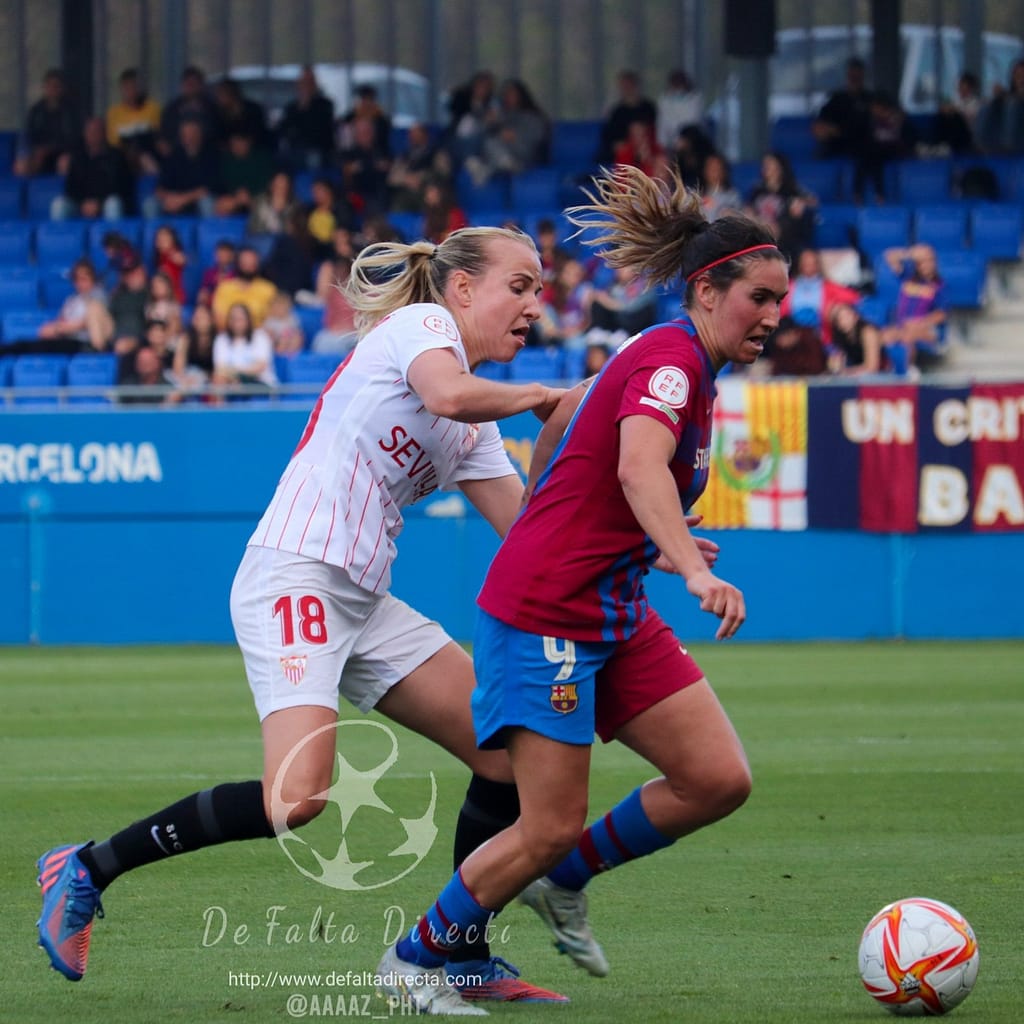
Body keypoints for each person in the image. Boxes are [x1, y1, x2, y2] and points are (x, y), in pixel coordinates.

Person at [36, 225, 573, 1008]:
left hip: (360, 597)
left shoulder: (477, 427)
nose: (535, 305)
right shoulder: (422, 329)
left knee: (503, 753)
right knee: (299, 801)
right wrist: (551, 396)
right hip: (296, 575)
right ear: (461, 290)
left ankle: (461, 952)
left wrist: (650, 540)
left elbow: (532, 537)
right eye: (519, 286)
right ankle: (87, 868)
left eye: (540, 289)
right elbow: (446, 392)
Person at [377, 163, 785, 1014]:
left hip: (611, 605)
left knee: (716, 778)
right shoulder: (671, 364)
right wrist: (696, 568)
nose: (773, 317)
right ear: (707, 291)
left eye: (780, 299)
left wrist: (655, 549)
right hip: (548, 613)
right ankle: (416, 959)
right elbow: (640, 469)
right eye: (758, 297)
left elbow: (582, 444)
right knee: (548, 819)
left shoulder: (681, 367)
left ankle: (563, 877)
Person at [879, 244, 948, 376]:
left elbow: (941, 314)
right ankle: (886, 371)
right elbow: (889, 256)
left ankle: (907, 373)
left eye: (929, 261)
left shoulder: (940, 286)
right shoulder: (908, 277)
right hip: (903, 326)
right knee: (884, 335)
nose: (926, 265)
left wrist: (919, 322)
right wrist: (910, 254)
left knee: (908, 335)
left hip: (929, 330)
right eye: (922, 261)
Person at [51, 117, 133, 221]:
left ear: (104, 133)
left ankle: (113, 236)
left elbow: (122, 188)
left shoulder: (116, 156)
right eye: (89, 131)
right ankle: (60, 237)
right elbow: (70, 188)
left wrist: (99, 203)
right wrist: (82, 204)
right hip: (81, 205)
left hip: (106, 203)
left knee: (113, 203)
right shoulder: (78, 157)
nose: (92, 135)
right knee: (59, 205)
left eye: (96, 131)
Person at [15, 68, 80, 176]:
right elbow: (29, 135)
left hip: (62, 152)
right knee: (22, 165)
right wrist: (30, 153)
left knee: (65, 163)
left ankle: (61, 191)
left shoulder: (71, 111)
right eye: (49, 86)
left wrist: (49, 149)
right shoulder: (36, 111)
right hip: (39, 154)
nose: (52, 89)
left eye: (56, 86)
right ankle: (32, 192)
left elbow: (73, 139)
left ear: (62, 88)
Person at [813, 57, 874, 160]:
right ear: (847, 76)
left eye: (857, 76)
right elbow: (821, 124)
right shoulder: (836, 99)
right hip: (836, 144)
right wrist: (827, 129)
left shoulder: (871, 99)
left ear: (863, 76)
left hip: (862, 145)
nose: (854, 79)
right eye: (852, 76)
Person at [277, 65, 335, 171]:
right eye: (303, 81)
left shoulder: (325, 105)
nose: (306, 85)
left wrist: (306, 105)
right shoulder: (291, 107)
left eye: (309, 81)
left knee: (313, 158)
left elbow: (320, 130)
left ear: (314, 84)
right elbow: (285, 129)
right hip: (295, 149)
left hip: (317, 149)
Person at [211, 301, 278, 392]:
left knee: (236, 383)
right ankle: (220, 406)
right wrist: (234, 377)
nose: (236, 323)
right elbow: (220, 368)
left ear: (248, 320)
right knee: (219, 379)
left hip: (260, 381)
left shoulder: (260, 336)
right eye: (233, 319)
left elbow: (260, 366)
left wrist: (236, 373)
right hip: (231, 382)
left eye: (240, 319)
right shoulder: (221, 339)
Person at [105, 67, 162, 175]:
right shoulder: (114, 113)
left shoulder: (153, 109)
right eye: (126, 88)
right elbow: (113, 143)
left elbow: (156, 137)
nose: (130, 92)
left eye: (133, 87)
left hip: (148, 153)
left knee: (146, 159)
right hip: (122, 156)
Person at [211, 245, 278, 330]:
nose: (248, 267)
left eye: (252, 263)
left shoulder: (268, 289)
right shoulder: (224, 288)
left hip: (259, 336)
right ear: (238, 263)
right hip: (229, 335)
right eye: (245, 263)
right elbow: (219, 319)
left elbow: (274, 319)